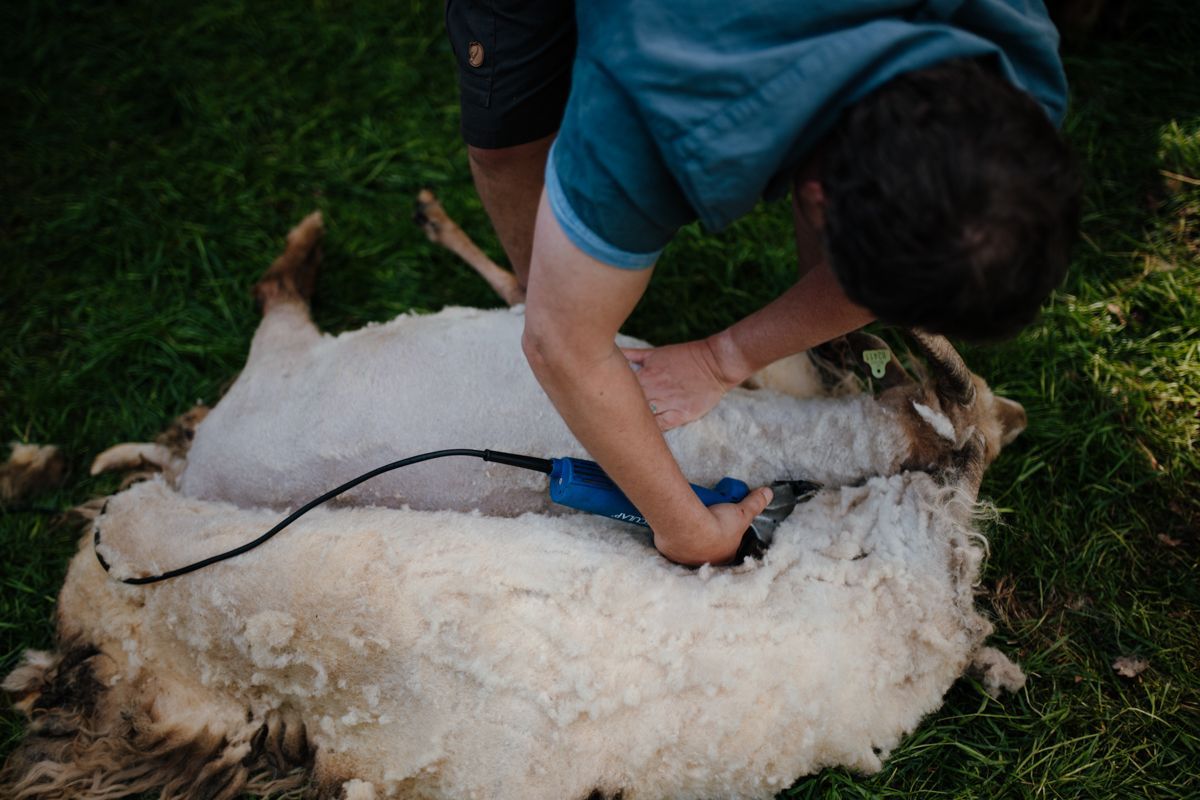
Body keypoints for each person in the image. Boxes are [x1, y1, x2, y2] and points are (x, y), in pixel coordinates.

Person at [444, 0, 1081, 565]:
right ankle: (542, 277)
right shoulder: (650, 115)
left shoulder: (1014, 70)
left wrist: (723, 358)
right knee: (511, 141)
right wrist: (686, 528)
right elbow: (561, 345)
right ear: (815, 195)